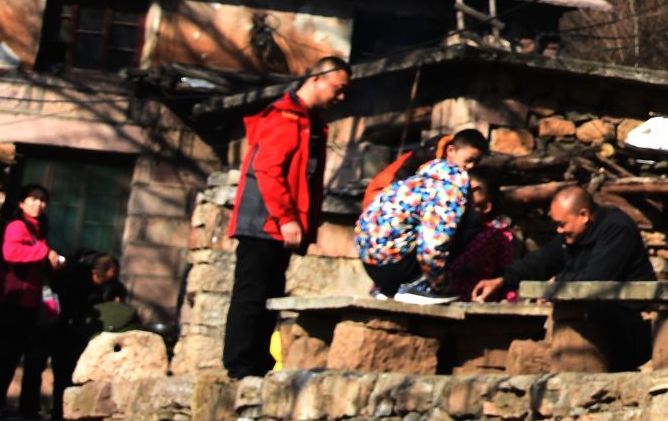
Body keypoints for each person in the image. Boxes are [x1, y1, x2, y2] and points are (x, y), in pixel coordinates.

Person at [222, 56, 350, 378]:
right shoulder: (285, 118)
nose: (341, 97)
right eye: (338, 88)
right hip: (263, 224)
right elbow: (268, 170)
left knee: (270, 295)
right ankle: (240, 365)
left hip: (277, 228)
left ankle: (259, 363)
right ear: (317, 79)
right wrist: (286, 218)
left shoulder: (309, 123)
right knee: (252, 295)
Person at [473, 186, 652, 364]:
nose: (559, 231)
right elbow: (541, 261)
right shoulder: (572, 236)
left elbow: (595, 279)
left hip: (627, 324)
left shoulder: (617, 229)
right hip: (595, 318)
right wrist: (502, 279)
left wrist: (557, 284)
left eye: (561, 224)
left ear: (583, 215)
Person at [352, 128, 486, 302]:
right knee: (469, 220)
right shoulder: (452, 184)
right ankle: (418, 287)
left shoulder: (422, 176)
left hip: (369, 262)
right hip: (395, 264)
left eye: (476, 163)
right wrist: (440, 284)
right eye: (469, 160)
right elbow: (433, 245)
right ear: (451, 151)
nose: (470, 168)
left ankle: (387, 290)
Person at [0, 183, 63, 421]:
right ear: (21, 202)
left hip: (28, 301)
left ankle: (0, 403)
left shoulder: (39, 229)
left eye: (42, 200)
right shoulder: (17, 226)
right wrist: (42, 252)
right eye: (33, 198)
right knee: (0, 354)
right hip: (9, 300)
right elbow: (11, 253)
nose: (38, 203)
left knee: (13, 355)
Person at [48, 254, 132, 412]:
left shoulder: (112, 287)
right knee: (63, 372)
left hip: (89, 335)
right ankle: (58, 410)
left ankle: (73, 409)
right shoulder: (74, 281)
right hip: (66, 330)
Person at [441, 175, 521, 300]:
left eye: (470, 206)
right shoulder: (448, 229)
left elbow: (506, 270)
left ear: (486, 207)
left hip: (478, 298)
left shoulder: (498, 236)